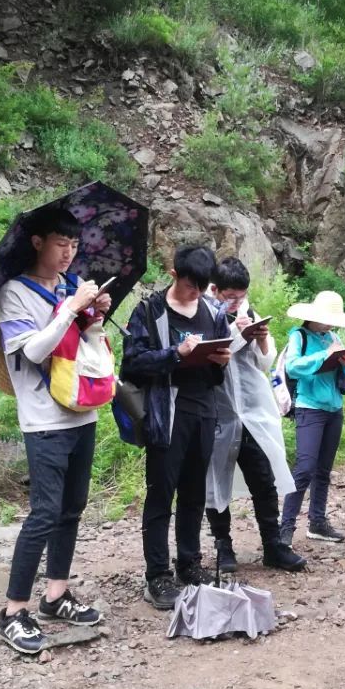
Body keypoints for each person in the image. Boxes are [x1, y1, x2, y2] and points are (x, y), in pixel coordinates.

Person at [0, 208, 106, 654]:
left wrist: (93, 319)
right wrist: (71, 310)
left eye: (74, 246)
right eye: (61, 244)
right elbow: (34, 352)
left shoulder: (69, 287)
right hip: (44, 419)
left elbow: (86, 351)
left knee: (72, 509)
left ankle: (56, 594)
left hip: (83, 411)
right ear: (38, 242)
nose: (68, 253)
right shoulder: (14, 294)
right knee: (44, 513)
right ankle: (13, 610)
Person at [122, 246, 232, 610]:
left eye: (201, 288)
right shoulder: (150, 311)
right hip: (165, 415)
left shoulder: (214, 313)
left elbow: (216, 375)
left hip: (203, 412)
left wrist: (220, 360)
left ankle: (189, 563)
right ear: (173, 274)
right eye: (188, 286)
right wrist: (176, 353)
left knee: (193, 494)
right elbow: (132, 363)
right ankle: (157, 575)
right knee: (160, 494)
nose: (194, 294)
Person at [205, 258, 306, 574]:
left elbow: (265, 364)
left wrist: (261, 337)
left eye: (241, 295)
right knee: (215, 479)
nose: (236, 302)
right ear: (215, 290)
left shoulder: (251, 312)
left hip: (253, 410)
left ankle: (273, 545)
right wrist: (235, 335)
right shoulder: (204, 315)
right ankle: (224, 547)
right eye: (230, 296)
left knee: (263, 478)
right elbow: (210, 359)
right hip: (218, 412)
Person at [280, 291, 345, 545]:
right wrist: (323, 357)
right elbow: (292, 366)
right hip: (309, 407)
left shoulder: (334, 337)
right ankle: (286, 527)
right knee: (304, 468)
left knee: (323, 471)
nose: (330, 324)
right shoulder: (299, 336)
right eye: (327, 319)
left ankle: (317, 523)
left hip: (334, 409)